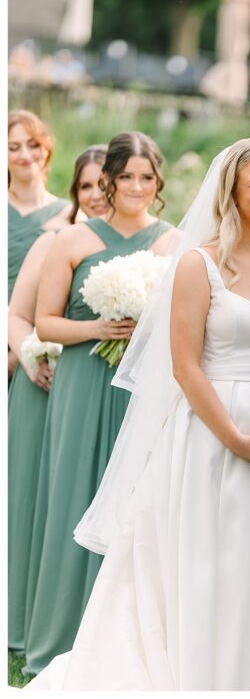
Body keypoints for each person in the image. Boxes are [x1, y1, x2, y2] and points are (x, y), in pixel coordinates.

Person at [26, 137, 250, 689]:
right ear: (233, 194)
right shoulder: (200, 264)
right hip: (214, 443)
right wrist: (235, 439)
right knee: (220, 568)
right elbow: (186, 366)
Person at [22, 132, 177, 675]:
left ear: (158, 184)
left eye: (146, 178)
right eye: (126, 176)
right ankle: (56, 638)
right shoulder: (73, 241)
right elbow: (44, 323)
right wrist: (99, 327)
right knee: (72, 497)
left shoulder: (173, 243)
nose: (136, 186)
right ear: (107, 179)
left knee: (136, 505)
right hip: (85, 382)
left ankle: (122, 643)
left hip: (142, 393)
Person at [8, 145, 108, 654]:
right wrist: (33, 356)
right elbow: (18, 313)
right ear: (75, 192)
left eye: (102, 184)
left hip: (100, 391)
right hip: (43, 378)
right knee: (32, 500)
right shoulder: (54, 241)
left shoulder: (141, 247)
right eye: (86, 186)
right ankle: (23, 620)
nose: (96, 195)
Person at [8, 110, 70, 378]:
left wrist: (24, 351)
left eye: (33, 145)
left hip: (38, 346)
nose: (25, 155)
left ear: (47, 148)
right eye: (13, 147)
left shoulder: (71, 215)